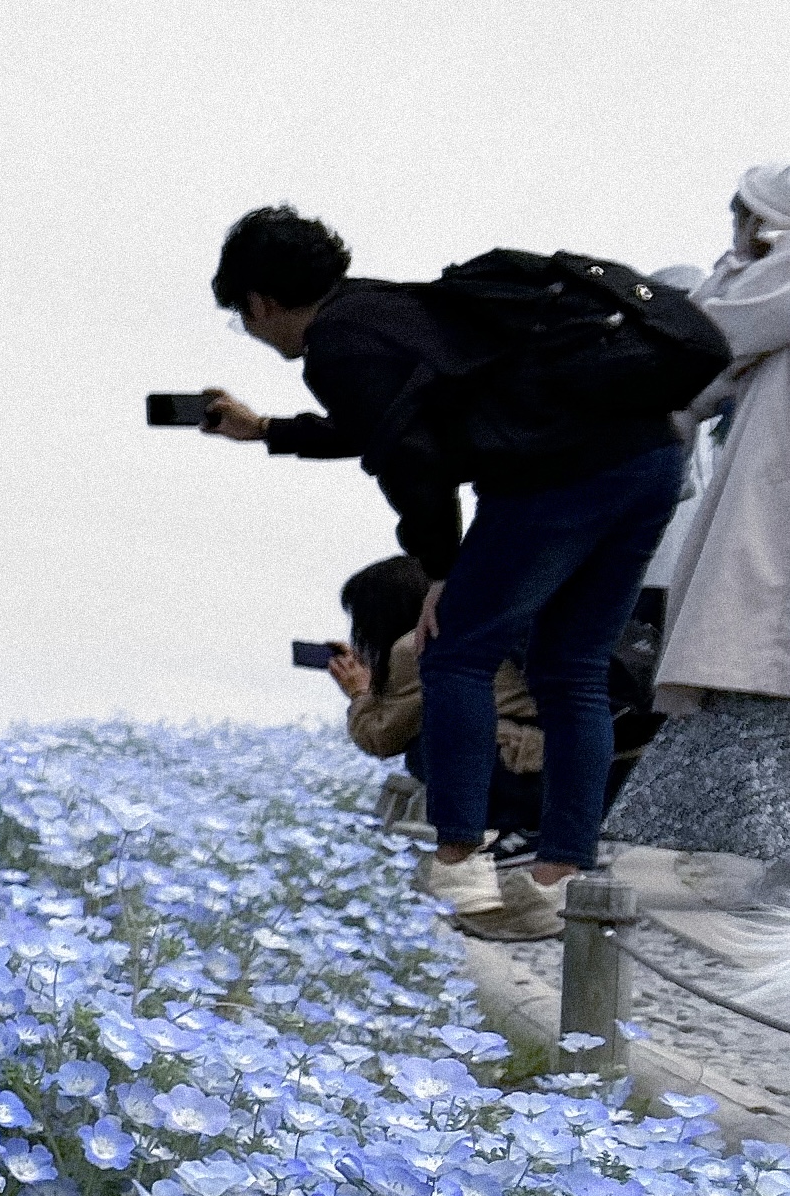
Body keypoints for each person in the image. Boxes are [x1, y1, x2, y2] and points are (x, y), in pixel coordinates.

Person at [203, 205, 691, 940]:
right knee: (572, 670)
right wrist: (266, 428)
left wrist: (440, 571)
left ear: (261, 302)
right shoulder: (392, 306)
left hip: (559, 475)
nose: (253, 330)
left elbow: (412, 462)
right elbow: (386, 426)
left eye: (244, 319)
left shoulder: (336, 346)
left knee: (454, 649)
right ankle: (558, 880)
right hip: (648, 459)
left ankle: (460, 865)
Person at [605, 164, 790, 863]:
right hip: (764, 506)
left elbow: (702, 336)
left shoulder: (774, 283)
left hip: (770, 510)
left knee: (753, 672)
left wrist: (740, 260)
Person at [329, 556, 544, 864]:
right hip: (551, 760)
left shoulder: (416, 645)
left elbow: (381, 738)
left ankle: (505, 828)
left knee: (423, 749)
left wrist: (359, 692)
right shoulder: (475, 625)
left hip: (522, 771)